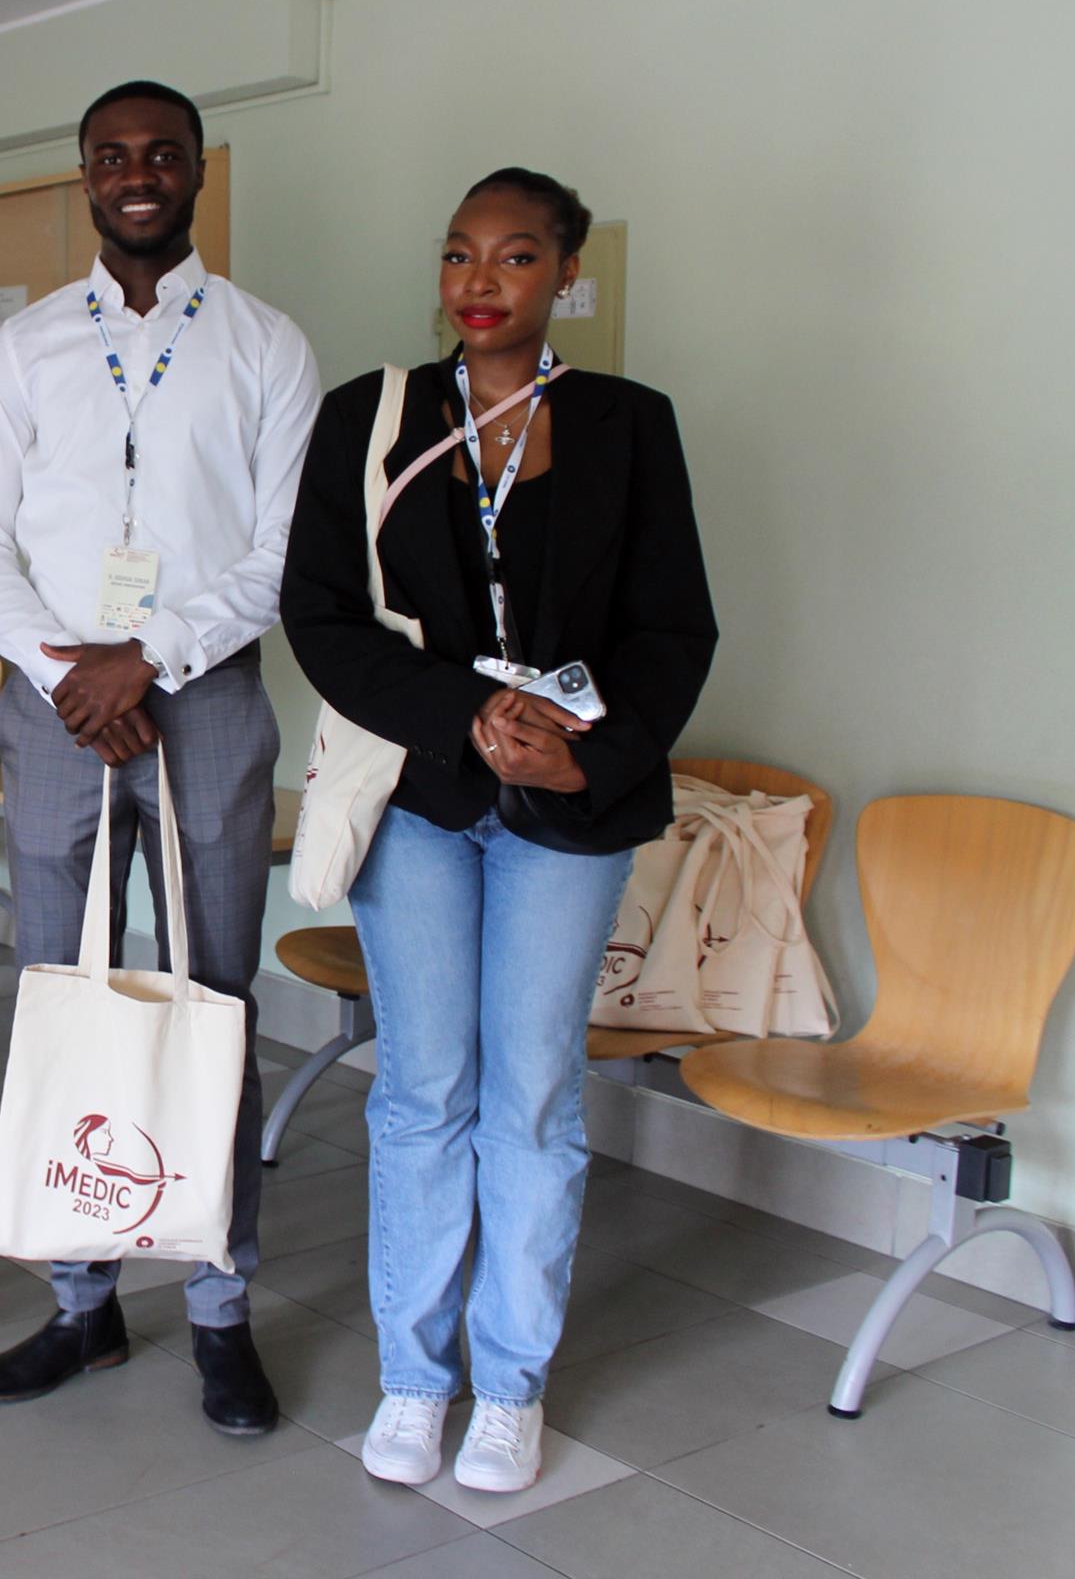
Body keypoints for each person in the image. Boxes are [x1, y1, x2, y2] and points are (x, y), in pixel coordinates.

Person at [282, 169, 715, 1490]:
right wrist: (464, 716)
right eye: (460, 254)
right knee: (425, 1093)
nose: (481, 281)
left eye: (516, 256)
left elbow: (672, 627)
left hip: (568, 811)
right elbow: (319, 613)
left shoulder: (629, 424)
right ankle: (415, 1380)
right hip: (422, 796)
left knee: (530, 1099)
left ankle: (510, 1385)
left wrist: (589, 759)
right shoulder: (370, 415)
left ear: (565, 273)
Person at [0, 81, 319, 1435]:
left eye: (162, 153)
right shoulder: (28, 346)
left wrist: (146, 659)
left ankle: (220, 1308)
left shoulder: (268, 346)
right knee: (65, 996)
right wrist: (68, 671)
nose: (138, 173)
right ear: (87, 176)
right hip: (56, 707)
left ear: (199, 170)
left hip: (204, 701)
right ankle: (80, 1303)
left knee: (213, 1002)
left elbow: (281, 554)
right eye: (113, 156)